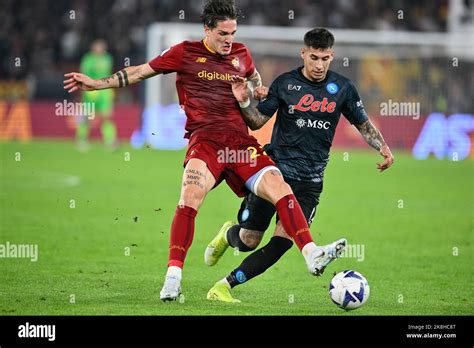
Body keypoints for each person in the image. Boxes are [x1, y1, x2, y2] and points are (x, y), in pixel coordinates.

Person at [63, 0, 345, 302]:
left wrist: (254, 90)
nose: (229, 40)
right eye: (223, 33)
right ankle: (173, 278)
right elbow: (140, 72)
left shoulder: (241, 54)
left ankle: (312, 252)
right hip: (205, 142)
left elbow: (253, 78)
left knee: (280, 187)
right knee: (190, 198)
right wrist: (97, 84)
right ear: (207, 30)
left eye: (233, 33)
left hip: (240, 144)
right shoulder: (184, 52)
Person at [205, 28, 394, 303]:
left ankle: (223, 286)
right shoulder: (285, 84)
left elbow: (362, 123)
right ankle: (228, 234)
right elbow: (257, 121)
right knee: (248, 241)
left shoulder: (343, 89)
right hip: (274, 174)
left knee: (281, 243)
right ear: (303, 53)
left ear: (333, 56)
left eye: (325, 59)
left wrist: (383, 147)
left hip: (309, 183)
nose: (319, 65)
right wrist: (245, 100)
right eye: (314, 57)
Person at [76, 39, 118, 151]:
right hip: (91, 91)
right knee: (86, 116)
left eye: (101, 47)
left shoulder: (108, 58)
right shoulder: (88, 59)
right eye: (97, 47)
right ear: (93, 48)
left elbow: (109, 74)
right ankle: (82, 139)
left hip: (105, 92)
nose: (100, 49)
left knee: (107, 117)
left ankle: (110, 140)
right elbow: (84, 73)